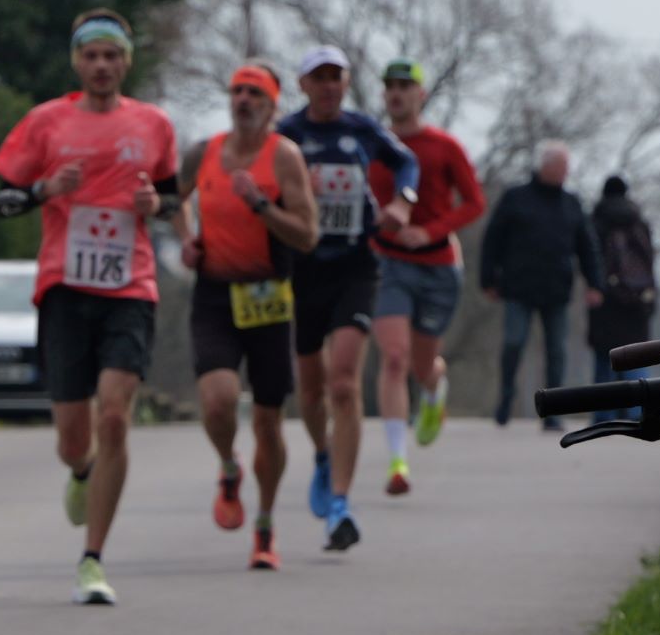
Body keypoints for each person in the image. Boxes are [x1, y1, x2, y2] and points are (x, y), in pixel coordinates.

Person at [0, 10, 180, 607]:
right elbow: (2, 199)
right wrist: (44, 190)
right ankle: (80, 470)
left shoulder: (153, 124)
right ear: (77, 62)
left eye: (112, 55)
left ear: (127, 62)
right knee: (75, 439)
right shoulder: (46, 121)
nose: (102, 65)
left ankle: (92, 559)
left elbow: (173, 198)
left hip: (131, 285)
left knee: (116, 417)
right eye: (91, 55)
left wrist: (156, 205)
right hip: (65, 288)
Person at [274, 47, 417, 552]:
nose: (329, 86)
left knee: (343, 383)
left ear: (347, 83)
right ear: (303, 84)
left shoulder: (362, 129)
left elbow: (406, 162)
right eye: (319, 78)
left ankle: (340, 503)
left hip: (356, 266)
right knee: (311, 390)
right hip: (303, 270)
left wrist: (402, 203)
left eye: (336, 77)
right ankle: (321, 454)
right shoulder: (287, 134)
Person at [180, 64, 319, 571]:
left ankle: (264, 523)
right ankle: (227, 465)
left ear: (272, 105)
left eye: (255, 94)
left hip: (268, 298)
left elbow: (308, 235)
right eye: (238, 91)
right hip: (215, 294)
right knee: (218, 401)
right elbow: (173, 199)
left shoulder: (284, 157)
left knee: (267, 421)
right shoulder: (204, 152)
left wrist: (261, 205)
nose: (243, 100)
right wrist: (187, 239)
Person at [365, 60, 483, 496]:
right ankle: (398, 462)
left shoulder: (443, 146)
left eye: (405, 86)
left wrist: (430, 232)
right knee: (394, 358)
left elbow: (474, 203)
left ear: (421, 94)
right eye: (390, 86)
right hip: (388, 264)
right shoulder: (374, 145)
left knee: (420, 365)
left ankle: (434, 386)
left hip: (438, 267)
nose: (396, 93)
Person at [477, 143, 599, 428]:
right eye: (562, 166)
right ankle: (506, 396)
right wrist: (487, 279)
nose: (566, 172)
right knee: (513, 342)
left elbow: (587, 246)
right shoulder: (515, 198)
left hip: (557, 289)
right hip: (518, 287)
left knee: (557, 351)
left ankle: (553, 411)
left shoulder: (571, 203)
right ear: (546, 166)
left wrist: (595, 283)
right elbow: (493, 240)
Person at [585, 173, 659, 417]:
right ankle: (639, 414)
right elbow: (650, 262)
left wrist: (594, 287)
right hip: (637, 302)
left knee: (604, 359)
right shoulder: (639, 223)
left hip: (606, 300)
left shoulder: (596, 222)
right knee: (636, 358)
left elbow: (591, 260)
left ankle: (603, 417)